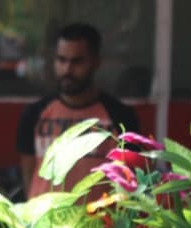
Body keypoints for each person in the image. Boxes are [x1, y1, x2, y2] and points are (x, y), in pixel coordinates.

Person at [16, 23, 140, 200]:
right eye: (61, 60)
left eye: (77, 61)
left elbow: (129, 181)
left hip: (101, 224)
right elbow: (29, 178)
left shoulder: (120, 117)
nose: (67, 70)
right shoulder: (34, 115)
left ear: (96, 62)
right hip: (45, 225)